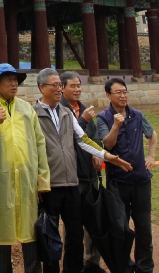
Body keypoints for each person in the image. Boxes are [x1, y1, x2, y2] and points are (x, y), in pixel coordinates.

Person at [34, 69, 131, 273]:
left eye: (60, 85)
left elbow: (82, 139)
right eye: (55, 85)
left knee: (75, 235)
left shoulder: (66, 112)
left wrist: (106, 156)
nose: (59, 89)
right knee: (50, 235)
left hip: (71, 183)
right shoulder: (33, 114)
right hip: (49, 184)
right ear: (42, 88)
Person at [0, 63, 50, 273]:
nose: (13, 84)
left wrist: (42, 179)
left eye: (15, 80)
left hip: (27, 178)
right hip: (1, 179)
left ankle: (32, 270)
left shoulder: (26, 108)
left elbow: (39, 142)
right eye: (8, 80)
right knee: (2, 231)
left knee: (30, 229)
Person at [95, 78, 158, 273]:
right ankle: (124, 266)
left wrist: (152, 156)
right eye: (118, 92)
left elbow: (152, 135)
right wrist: (116, 125)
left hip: (140, 180)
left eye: (125, 92)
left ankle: (144, 266)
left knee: (144, 228)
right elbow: (108, 145)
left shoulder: (137, 115)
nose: (123, 96)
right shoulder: (103, 118)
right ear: (108, 95)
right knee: (120, 228)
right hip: (118, 181)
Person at [60, 71, 105, 273]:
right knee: (73, 229)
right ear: (61, 88)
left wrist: (97, 153)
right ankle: (72, 268)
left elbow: (94, 138)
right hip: (71, 178)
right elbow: (65, 139)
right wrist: (83, 120)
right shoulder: (59, 109)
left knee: (94, 224)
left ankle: (92, 264)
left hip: (90, 175)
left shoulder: (84, 108)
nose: (77, 89)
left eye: (79, 86)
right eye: (73, 86)